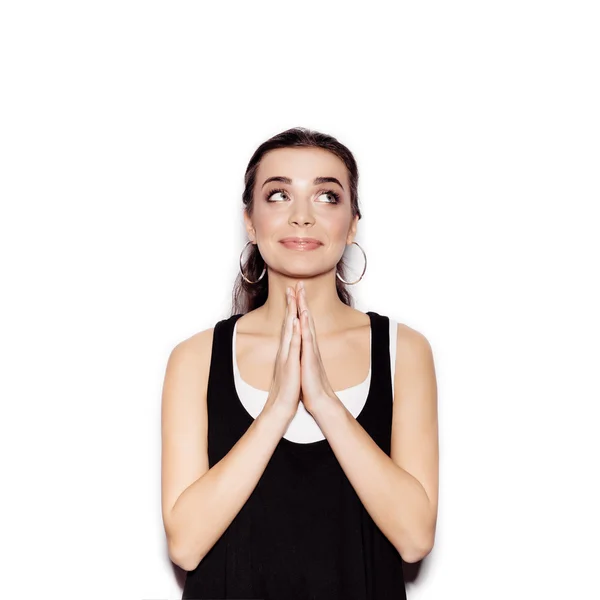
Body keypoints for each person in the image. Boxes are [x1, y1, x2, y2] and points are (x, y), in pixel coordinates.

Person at [161, 127, 439, 599]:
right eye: (279, 194)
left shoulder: (404, 349)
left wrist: (326, 403)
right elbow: (186, 545)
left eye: (327, 196)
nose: (302, 217)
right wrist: (277, 409)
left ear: (352, 223)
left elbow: (415, 539)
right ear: (250, 220)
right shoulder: (196, 357)